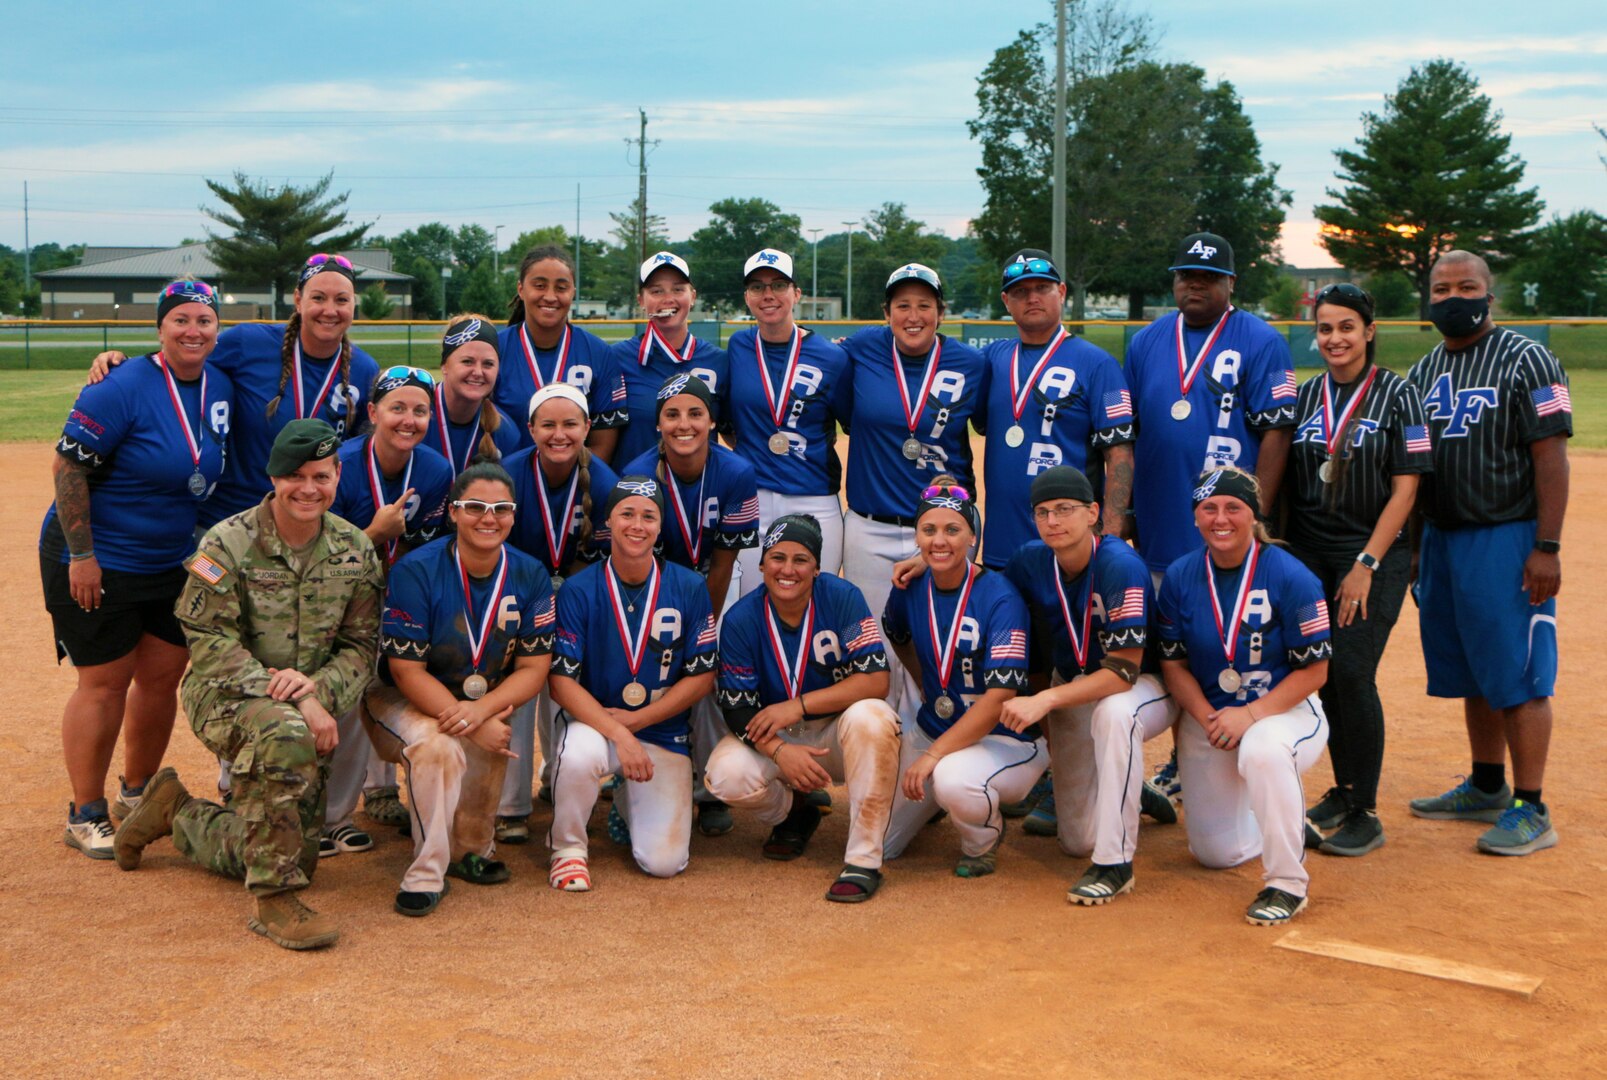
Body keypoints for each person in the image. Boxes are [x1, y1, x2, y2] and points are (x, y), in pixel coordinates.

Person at [113, 420, 386, 951]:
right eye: (295, 476)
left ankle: (176, 811)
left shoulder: (354, 549)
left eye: (321, 477)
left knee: (293, 850)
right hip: (225, 694)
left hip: (311, 705)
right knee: (283, 735)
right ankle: (273, 902)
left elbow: (361, 646)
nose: (309, 488)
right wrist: (297, 697)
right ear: (273, 476)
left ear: (337, 476)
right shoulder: (229, 542)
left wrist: (317, 693)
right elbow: (208, 639)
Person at [44, 279, 234, 858]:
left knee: (160, 679)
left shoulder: (218, 383)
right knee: (104, 683)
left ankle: (138, 792)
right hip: (101, 558)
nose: (193, 330)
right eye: (180, 320)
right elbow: (66, 468)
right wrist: (82, 556)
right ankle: (86, 810)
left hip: (173, 558)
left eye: (204, 320)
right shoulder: (122, 385)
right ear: (159, 327)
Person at [1123, 231, 1299, 806]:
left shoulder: (1263, 340)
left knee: (1217, 650)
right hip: (1158, 523)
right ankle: (1167, 764)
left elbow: (1276, 432)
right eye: (1185, 276)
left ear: (1230, 283)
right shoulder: (1146, 341)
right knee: (1164, 655)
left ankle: (1214, 761)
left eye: (1206, 277)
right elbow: (1131, 438)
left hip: (1223, 531)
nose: (1193, 285)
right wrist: (1125, 512)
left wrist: (1258, 512)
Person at [1405, 250, 1571, 856]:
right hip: (1444, 539)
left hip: (1506, 535)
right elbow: (1414, 468)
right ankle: (1486, 785)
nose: (1454, 297)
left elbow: (1550, 456)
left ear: (1489, 294)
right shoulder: (1422, 372)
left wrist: (1546, 548)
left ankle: (1532, 806)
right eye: (1442, 288)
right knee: (1473, 667)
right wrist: (1419, 546)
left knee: (1517, 674)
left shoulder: (1529, 358)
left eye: (1466, 286)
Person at [364, 463, 553, 915]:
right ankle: (426, 871)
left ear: (513, 514)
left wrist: (482, 711)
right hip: (399, 699)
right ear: (453, 513)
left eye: (501, 509)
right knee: (440, 744)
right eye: (475, 508)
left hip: (474, 698)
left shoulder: (530, 574)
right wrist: (469, 720)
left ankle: (473, 848)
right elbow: (406, 671)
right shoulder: (416, 570)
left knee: (491, 723)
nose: (489, 518)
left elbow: (534, 666)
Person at [1286, 284, 1432, 857]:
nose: (1335, 338)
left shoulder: (1400, 394)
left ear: (1369, 331)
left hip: (1373, 553)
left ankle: (1365, 811)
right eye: (1324, 328)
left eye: (1346, 326)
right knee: (1320, 676)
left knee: (1351, 671)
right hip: (1309, 552)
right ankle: (1343, 791)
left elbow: (1407, 488)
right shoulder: (1305, 395)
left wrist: (1366, 564)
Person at [87, 253, 381, 531]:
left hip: (307, 525)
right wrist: (122, 364)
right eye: (318, 297)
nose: (330, 310)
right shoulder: (248, 343)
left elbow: (359, 455)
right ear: (298, 300)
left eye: (341, 300)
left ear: (353, 304)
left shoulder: (365, 369)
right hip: (229, 522)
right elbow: (181, 363)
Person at [1156, 466, 1331, 926]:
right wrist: (1209, 717)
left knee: (1263, 747)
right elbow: (1173, 664)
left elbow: (1316, 670)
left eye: (1233, 507)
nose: (1221, 518)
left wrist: (1249, 716)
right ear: (1195, 517)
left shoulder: (1292, 576)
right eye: (1208, 508)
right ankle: (1284, 818)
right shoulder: (1180, 575)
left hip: (1285, 711)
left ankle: (1286, 883)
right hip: (1212, 715)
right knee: (1217, 853)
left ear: (1253, 515)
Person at [1001, 467, 1179, 905]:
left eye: (1065, 509)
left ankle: (1115, 864)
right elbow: (983, 590)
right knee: (1076, 840)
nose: (1053, 521)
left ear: (1093, 513)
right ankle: (1130, 789)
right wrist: (924, 562)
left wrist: (1046, 698)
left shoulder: (1121, 565)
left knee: (1114, 714)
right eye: (1042, 512)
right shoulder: (1031, 560)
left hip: (1146, 685)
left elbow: (1123, 672)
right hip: (1073, 683)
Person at [705, 515, 900, 902]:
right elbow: (737, 709)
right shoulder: (742, 619)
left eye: (801, 559)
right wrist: (780, 750)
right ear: (762, 565)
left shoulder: (841, 597)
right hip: (777, 738)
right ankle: (794, 811)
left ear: (817, 566)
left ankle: (863, 860)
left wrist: (798, 706)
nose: (788, 570)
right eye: (777, 558)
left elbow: (875, 680)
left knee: (873, 717)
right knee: (725, 775)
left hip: (837, 733)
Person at [546, 476, 719, 890]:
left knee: (664, 863)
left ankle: (625, 802)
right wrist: (619, 733)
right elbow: (561, 682)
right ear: (609, 521)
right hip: (596, 724)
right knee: (577, 757)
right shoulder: (577, 589)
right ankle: (568, 849)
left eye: (648, 516)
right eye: (627, 514)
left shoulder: (690, 586)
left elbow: (702, 675)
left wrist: (637, 723)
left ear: (661, 526)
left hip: (661, 730)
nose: (637, 525)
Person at [838, 263, 986, 716]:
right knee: (876, 657)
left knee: (937, 649)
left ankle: (933, 761)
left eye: (924, 304)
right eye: (903, 305)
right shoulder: (861, 350)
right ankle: (885, 772)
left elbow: (985, 434)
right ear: (886, 312)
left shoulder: (970, 364)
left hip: (942, 531)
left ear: (941, 312)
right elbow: (845, 414)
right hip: (870, 525)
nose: (913, 315)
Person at [881, 479, 1044, 877]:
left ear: (972, 537)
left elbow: (999, 697)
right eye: (929, 530)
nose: (940, 540)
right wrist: (926, 683)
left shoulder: (1000, 597)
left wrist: (935, 755)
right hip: (937, 727)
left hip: (1004, 738)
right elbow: (897, 633)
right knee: (881, 844)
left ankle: (982, 839)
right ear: (916, 535)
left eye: (953, 530)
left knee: (952, 779)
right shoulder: (910, 585)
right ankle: (935, 801)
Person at [621, 373, 760, 836]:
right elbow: (638, 554)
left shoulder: (735, 471)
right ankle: (625, 785)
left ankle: (710, 793)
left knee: (710, 670)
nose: (684, 424)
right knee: (652, 669)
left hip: (713, 580)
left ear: (712, 420)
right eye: (672, 414)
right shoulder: (640, 476)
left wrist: (705, 625)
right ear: (657, 423)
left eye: (695, 413)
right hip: (656, 584)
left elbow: (724, 562)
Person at [499, 383, 621, 841]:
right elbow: (493, 546)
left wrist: (565, 600)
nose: (559, 434)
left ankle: (558, 780)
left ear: (588, 427)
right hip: (515, 598)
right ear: (530, 428)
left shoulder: (606, 482)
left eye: (570, 424)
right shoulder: (508, 475)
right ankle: (510, 804)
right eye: (547, 424)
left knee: (563, 691)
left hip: (576, 599)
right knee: (515, 694)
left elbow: (602, 561)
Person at [726, 249, 852, 590]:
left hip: (813, 500)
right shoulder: (738, 346)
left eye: (779, 284)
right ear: (747, 297)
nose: (768, 295)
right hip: (752, 499)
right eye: (757, 287)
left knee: (814, 605)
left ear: (797, 293)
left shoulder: (832, 357)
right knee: (753, 606)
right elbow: (726, 420)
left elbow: (852, 422)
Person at [496, 245, 627, 461]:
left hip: (575, 485)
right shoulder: (495, 351)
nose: (550, 296)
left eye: (561, 287)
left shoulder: (599, 354)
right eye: (539, 285)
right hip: (506, 483)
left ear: (573, 292)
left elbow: (602, 445)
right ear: (521, 289)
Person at [613, 252, 730, 465]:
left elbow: (732, 432)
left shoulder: (718, 361)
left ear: (693, 296)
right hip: (637, 491)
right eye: (656, 291)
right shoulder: (616, 359)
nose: (668, 299)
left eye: (678, 289)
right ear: (641, 300)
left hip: (699, 492)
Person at [432, 314, 523, 475]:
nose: (478, 372)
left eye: (488, 364)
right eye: (467, 361)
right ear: (444, 365)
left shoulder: (504, 431)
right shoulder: (415, 419)